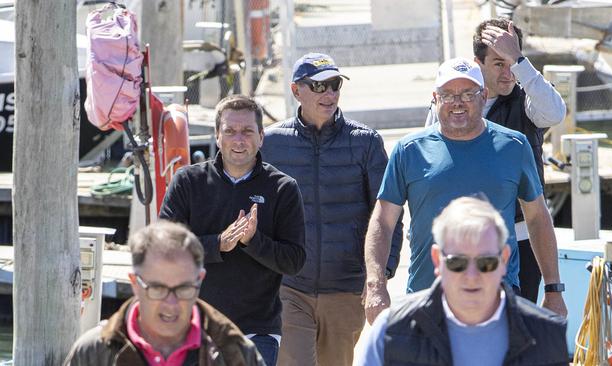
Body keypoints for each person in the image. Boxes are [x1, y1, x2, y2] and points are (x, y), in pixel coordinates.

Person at [364, 57, 567, 325]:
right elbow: (382, 220)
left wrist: (553, 289)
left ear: (483, 96)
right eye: (447, 94)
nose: (457, 102)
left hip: (498, 301)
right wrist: (376, 285)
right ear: (435, 99)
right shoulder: (408, 150)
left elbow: (538, 218)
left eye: (467, 94)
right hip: (427, 301)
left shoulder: (514, 146)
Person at [261, 52, 403, 366]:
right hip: (289, 288)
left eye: (335, 85)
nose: (330, 94)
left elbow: (388, 213)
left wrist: (380, 274)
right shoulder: (270, 144)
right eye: (319, 86)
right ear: (296, 90)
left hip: (345, 290)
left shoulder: (365, 142)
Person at [425, 18, 567, 303]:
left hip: (522, 238)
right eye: (498, 64)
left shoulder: (529, 99)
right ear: (478, 64)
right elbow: (431, 155)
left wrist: (519, 60)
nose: (508, 73)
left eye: (511, 63)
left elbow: (555, 113)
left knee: (516, 330)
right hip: (463, 234)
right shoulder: (450, 105)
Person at [159, 94, 306, 366]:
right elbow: (163, 251)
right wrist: (217, 244)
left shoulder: (283, 188)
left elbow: (294, 260)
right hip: (192, 327)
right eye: (230, 131)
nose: (239, 139)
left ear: (261, 137)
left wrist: (253, 241)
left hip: (256, 330)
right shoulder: (187, 182)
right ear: (217, 136)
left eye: (247, 131)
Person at [354, 197, 569, 365]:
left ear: (504, 259)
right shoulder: (390, 331)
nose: (472, 275)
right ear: (438, 260)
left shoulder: (547, 335)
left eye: (485, 262)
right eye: (458, 262)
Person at [64, 221, 265, 365]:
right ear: (135, 283)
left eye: (183, 289)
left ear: (199, 281)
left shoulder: (237, 354)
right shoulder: (92, 353)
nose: (171, 302)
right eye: (158, 288)